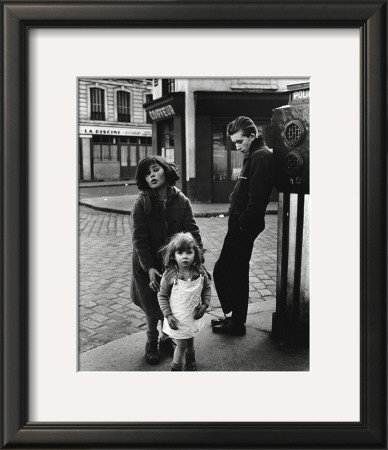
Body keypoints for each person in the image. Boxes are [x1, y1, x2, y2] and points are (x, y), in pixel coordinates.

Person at [131, 155, 204, 365]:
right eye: (146, 173)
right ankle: (151, 341)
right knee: (152, 305)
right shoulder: (142, 202)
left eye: (155, 170)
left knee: (171, 301)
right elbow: (139, 238)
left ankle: (165, 339)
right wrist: (149, 267)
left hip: (173, 264)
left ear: (165, 170)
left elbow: (193, 233)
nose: (151, 175)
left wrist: (199, 260)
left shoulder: (182, 201)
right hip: (147, 264)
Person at [212, 116, 275, 336]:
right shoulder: (255, 155)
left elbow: (257, 200)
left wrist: (241, 225)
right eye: (234, 143)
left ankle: (235, 322)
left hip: (243, 224)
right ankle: (234, 320)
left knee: (224, 271)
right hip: (240, 222)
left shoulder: (261, 157)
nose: (238, 147)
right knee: (235, 272)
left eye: (240, 142)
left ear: (252, 135)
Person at [158, 232, 211, 371]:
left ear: (196, 254)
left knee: (191, 338)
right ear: (173, 256)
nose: (185, 256)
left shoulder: (199, 272)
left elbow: (207, 288)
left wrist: (205, 305)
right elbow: (162, 295)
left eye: (189, 252)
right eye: (180, 253)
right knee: (181, 345)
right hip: (177, 318)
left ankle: (191, 359)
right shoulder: (170, 275)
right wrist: (168, 315)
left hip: (192, 315)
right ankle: (176, 368)